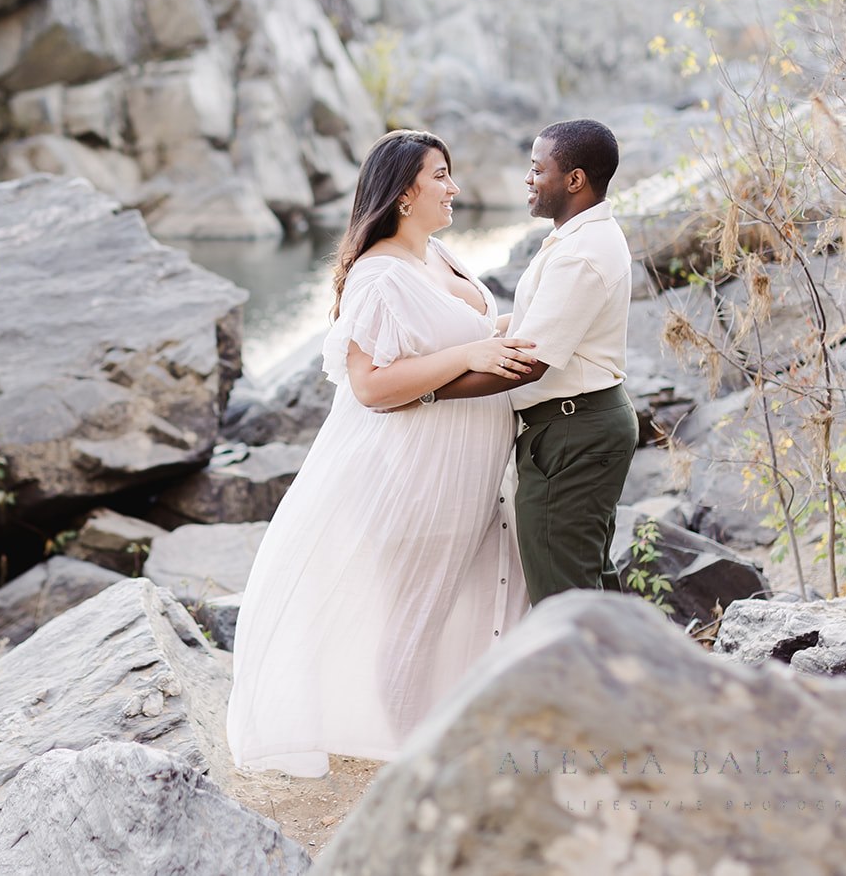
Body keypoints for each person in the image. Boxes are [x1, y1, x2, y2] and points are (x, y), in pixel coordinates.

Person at [226, 129, 533, 778]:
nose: (455, 188)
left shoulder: (438, 254)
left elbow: (477, 331)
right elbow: (370, 385)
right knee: (412, 617)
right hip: (412, 473)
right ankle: (406, 763)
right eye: (442, 175)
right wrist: (469, 355)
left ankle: (443, 736)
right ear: (402, 193)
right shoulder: (376, 277)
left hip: (466, 473)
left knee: (463, 602)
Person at [433, 118, 637, 603]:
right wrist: (463, 336)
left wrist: (428, 389)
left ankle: (588, 679)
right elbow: (527, 325)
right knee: (588, 585)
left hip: (572, 432)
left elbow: (529, 362)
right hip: (576, 426)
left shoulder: (581, 254)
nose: (528, 179)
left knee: (562, 598)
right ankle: (627, 676)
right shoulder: (576, 239)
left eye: (536, 168)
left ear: (574, 180)